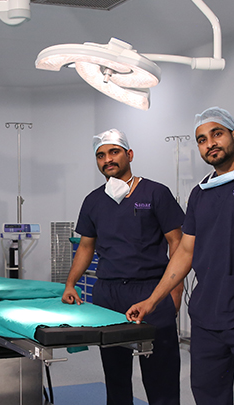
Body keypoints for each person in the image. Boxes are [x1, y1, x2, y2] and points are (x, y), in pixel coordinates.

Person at [126, 107, 234, 405]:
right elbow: (185, 251)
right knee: (208, 395)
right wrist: (152, 301)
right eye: (202, 139)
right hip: (206, 317)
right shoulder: (200, 193)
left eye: (217, 134)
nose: (210, 143)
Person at [62, 128, 185, 405]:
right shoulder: (93, 201)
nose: (107, 159)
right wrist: (70, 283)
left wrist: (174, 292)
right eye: (101, 155)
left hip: (151, 290)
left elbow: (177, 243)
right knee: (115, 373)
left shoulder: (155, 193)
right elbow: (86, 246)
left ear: (129, 154)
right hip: (108, 294)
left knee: (161, 374)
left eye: (114, 152)